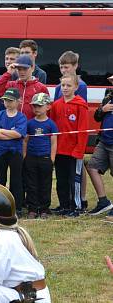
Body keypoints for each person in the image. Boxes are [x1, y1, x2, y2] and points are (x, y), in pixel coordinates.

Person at [49, 73, 89, 217]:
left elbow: (83, 130)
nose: (65, 88)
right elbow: (52, 127)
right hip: (60, 150)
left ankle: (77, 207)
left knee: (75, 180)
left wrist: (79, 150)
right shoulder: (56, 105)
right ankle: (64, 205)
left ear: (76, 87)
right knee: (61, 180)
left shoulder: (81, 105)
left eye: (68, 85)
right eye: (63, 85)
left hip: (73, 151)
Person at [0, 88, 27, 214]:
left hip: (15, 152)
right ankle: (1, 205)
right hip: (1, 152)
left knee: (16, 179)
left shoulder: (21, 117)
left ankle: (17, 207)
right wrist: (9, 133)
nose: (7, 103)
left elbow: (18, 134)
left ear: (18, 102)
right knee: (1, 179)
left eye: (10, 101)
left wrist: (2, 130)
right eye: (5, 100)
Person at [23, 93, 57, 219]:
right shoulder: (29, 124)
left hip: (45, 158)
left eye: (39, 106)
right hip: (31, 158)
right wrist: (25, 156)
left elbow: (54, 142)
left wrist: (51, 158)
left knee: (45, 184)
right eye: (34, 106)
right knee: (31, 183)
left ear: (48, 107)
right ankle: (32, 208)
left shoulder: (51, 124)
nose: (36, 109)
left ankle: (44, 208)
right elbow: (25, 141)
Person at [0, 55, 49, 120]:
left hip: (32, 126)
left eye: (25, 69)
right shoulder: (11, 85)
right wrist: (8, 73)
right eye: (19, 69)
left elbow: (47, 110)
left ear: (32, 68)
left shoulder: (41, 87)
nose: (22, 72)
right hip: (13, 125)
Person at [87, 79, 113, 219]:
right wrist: (102, 110)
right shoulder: (107, 97)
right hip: (104, 140)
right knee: (92, 167)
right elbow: (96, 117)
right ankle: (103, 202)